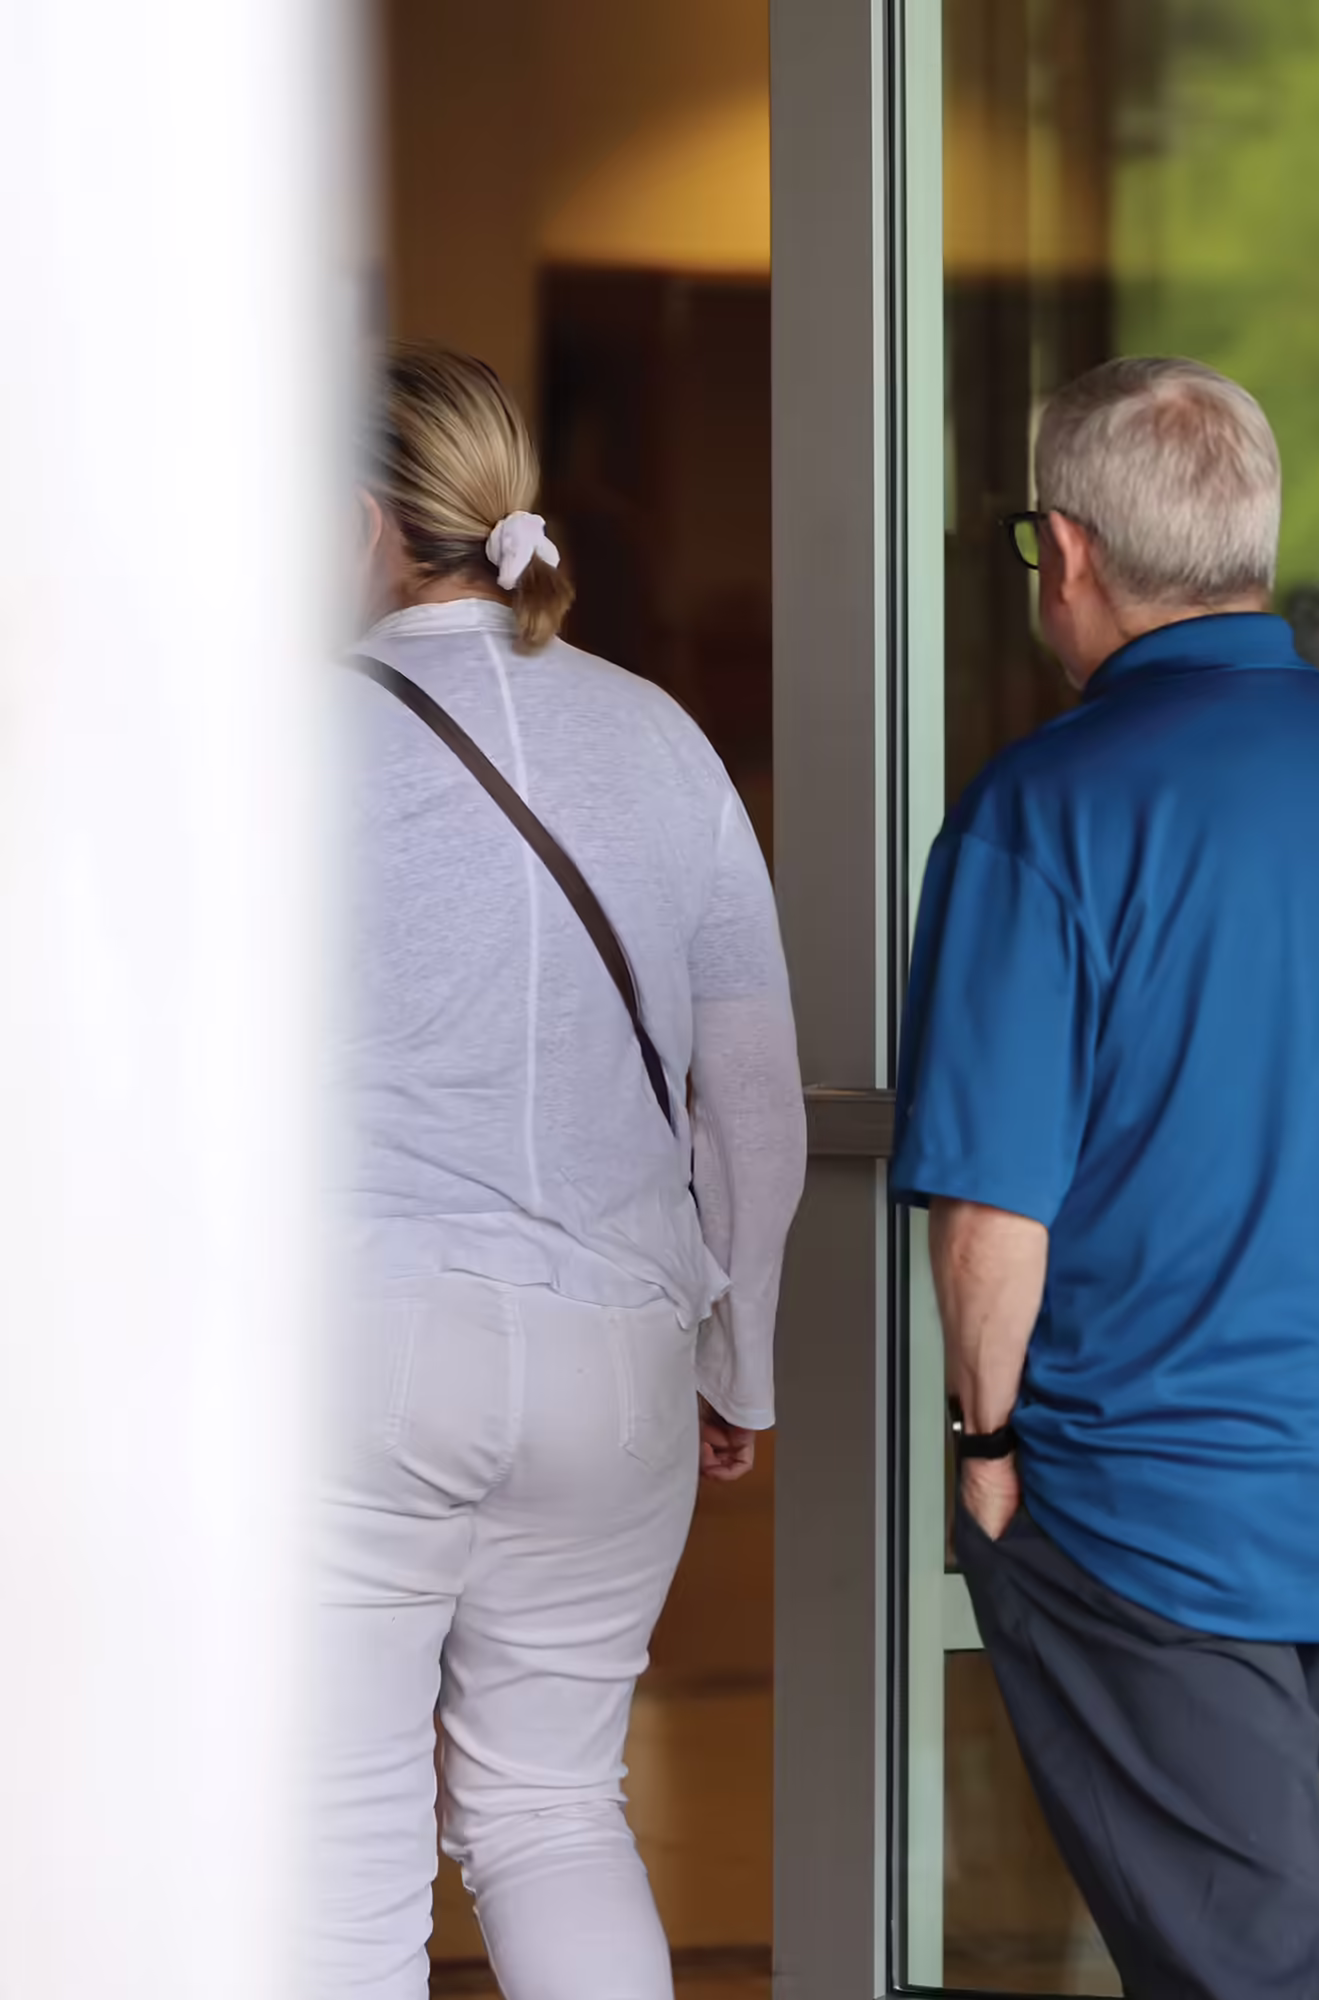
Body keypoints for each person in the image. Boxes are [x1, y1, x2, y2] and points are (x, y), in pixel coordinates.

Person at [894, 356, 1319, 2000]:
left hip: (1151, 1517)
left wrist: (983, 1446)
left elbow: (992, 1211)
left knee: (1243, 1962)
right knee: (1226, 1925)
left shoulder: (1043, 811)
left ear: (1064, 550)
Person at [315, 343, 807, 1999]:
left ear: (358, 522)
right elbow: (753, 1096)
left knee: (344, 1834)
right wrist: (740, 1361)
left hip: (357, 1348)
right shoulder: (658, 737)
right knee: (550, 1811)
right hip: (618, 1350)